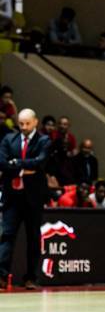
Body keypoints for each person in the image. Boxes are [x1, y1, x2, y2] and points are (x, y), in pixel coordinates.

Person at [0, 109, 51, 290]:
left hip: (33, 198)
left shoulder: (43, 141)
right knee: (7, 236)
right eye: (21, 123)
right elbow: (2, 162)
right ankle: (2, 276)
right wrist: (24, 169)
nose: (24, 127)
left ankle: (31, 278)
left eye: (27, 123)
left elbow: (41, 162)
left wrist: (16, 164)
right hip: (12, 197)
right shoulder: (8, 140)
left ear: (35, 122)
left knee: (33, 238)